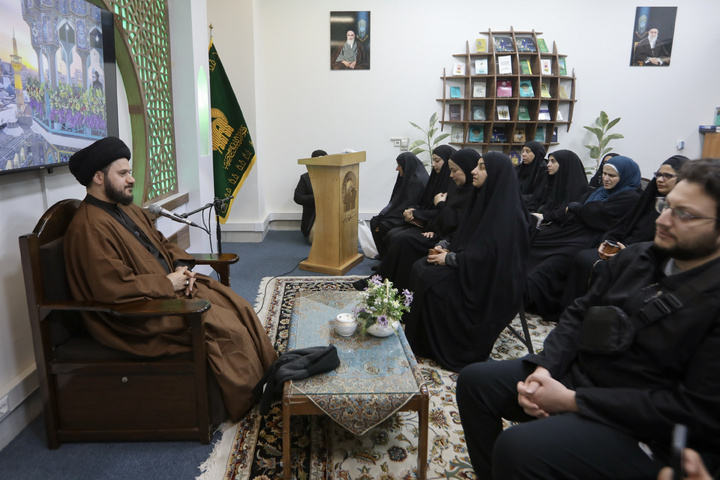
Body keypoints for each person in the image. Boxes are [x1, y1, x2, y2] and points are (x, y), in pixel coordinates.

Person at [457, 158, 720, 480]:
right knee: (475, 383)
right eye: (666, 205)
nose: (663, 219)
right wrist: (545, 368)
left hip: (636, 422)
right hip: (580, 375)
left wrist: (571, 401)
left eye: (685, 214)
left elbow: (688, 408)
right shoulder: (637, 256)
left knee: (519, 447)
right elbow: (580, 313)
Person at [63, 136, 278, 423]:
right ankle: (245, 397)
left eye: (130, 172)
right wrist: (169, 284)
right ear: (98, 177)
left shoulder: (124, 208)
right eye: (123, 173)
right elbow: (113, 288)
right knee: (226, 329)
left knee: (238, 306)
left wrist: (180, 269)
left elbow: (160, 242)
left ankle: (269, 380)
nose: (132, 179)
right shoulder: (88, 227)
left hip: (165, 292)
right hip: (136, 316)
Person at [404, 151, 530, 372]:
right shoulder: (482, 199)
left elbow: (492, 258)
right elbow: (463, 234)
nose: (474, 171)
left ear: (496, 175)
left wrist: (451, 259)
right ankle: (422, 341)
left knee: (430, 279)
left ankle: (439, 344)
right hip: (470, 266)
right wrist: (445, 246)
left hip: (488, 282)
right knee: (419, 266)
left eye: (481, 167)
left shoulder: (509, 214)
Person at [527, 155, 688, 321]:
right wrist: (608, 240)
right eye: (658, 174)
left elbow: (590, 212)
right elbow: (623, 225)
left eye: (667, 176)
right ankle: (567, 312)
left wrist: (629, 250)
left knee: (579, 258)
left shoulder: (632, 197)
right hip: (610, 241)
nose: (660, 179)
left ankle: (581, 316)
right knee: (547, 244)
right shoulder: (645, 199)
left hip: (643, 253)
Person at [354, 147, 477, 293]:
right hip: (437, 230)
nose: (450, 175)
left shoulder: (469, 192)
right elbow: (433, 208)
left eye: (437, 161)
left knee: (401, 239)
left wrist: (432, 223)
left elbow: (452, 220)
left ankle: (390, 284)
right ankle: (385, 280)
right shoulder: (458, 187)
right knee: (396, 236)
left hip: (446, 237)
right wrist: (414, 213)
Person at [526, 155, 642, 272]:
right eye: (604, 173)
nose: (605, 178)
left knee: (551, 261)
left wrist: (575, 208)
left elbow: (593, 212)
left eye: (611, 175)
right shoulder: (601, 191)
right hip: (576, 231)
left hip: (591, 239)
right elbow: (578, 208)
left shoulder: (630, 197)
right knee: (535, 240)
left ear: (625, 177)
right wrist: (547, 216)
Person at [382, 145, 455, 249]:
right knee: (391, 234)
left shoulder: (453, 184)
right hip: (426, 223)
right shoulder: (435, 180)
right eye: (433, 160)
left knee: (398, 238)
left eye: (437, 160)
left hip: (439, 229)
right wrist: (412, 210)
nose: (433, 164)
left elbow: (446, 215)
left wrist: (416, 214)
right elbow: (425, 203)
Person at [369, 152, 429, 257]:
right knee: (376, 221)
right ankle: (385, 257)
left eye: (399, 165)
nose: (397, 169)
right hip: (401, 212)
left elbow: (408, 206)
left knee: (382, 225)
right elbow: (395, 201)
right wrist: (382, 215)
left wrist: (384, 217)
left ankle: (387, 259)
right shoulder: (408, 177)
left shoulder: (417, 181)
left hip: (412, 216)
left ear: (407, 166)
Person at [526, 149, 588, 222]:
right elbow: (536, 199)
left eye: (553, 161)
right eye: (549, 161)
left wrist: (544, 216)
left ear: (564, 164)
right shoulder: (550, 179)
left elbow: (567, 213)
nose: (548, 164)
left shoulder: (576, 187)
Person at [293, 149, 327, 243]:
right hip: (315, 216)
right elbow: (297, 197)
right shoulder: (305, 178)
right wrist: (316, 197)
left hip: (331, 214)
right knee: (317, 241)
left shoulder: (335, 176)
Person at [515, 141, 548, 205]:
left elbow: (538, 196)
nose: (523, 154)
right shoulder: (518, 169)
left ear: (537, 153)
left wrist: (515, 198)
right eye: (523, 151)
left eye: (527, 151)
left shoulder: (544, 171)